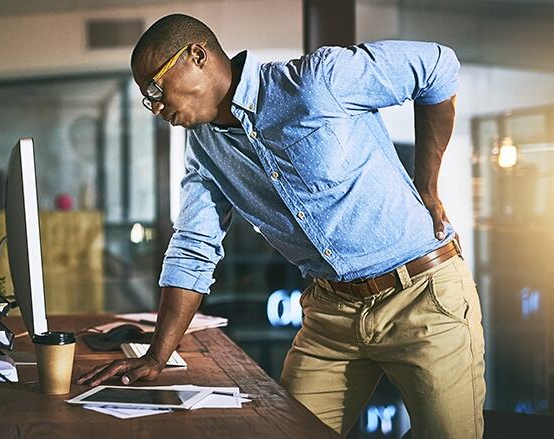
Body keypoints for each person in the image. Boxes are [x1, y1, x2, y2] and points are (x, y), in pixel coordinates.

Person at [77, 13, 485, 438]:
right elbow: (194, 245)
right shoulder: (204, 149)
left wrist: (427, 185)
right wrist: (156, 356)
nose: (157, 107)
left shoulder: (315, 81)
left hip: (422, 297)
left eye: (157, 89)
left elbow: (438, 67)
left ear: (197, 56)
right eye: (148, 98)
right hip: (331, 315)